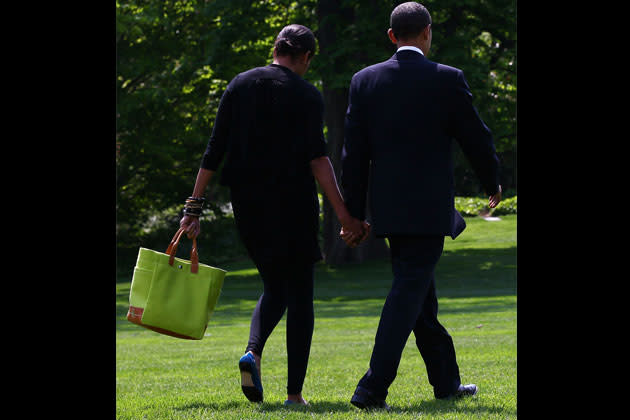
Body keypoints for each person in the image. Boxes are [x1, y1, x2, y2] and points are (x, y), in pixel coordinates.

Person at [179, 24, 369, 406]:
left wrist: (193, 209)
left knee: (274, 285)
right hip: (293, 203)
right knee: (300, 294)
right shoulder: (306, 94)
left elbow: (214, 150)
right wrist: (345, 216)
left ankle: (253, 351)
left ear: (276, 48)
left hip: (248, 206)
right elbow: (318, 160)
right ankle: (294, 395)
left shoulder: (239, 85)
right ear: (306, 57)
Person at [339, 2, 503, 410]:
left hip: (390, 209)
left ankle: (447, 383)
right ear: (427, 33)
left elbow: (353, 155)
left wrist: (354, 213)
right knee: (409, 291)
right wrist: (492, 180)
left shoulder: (364, 81)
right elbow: (475, 137)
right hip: (429, 209)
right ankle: (370, 390)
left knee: (419, 298)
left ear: (392, 36)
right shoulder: (447, 79)